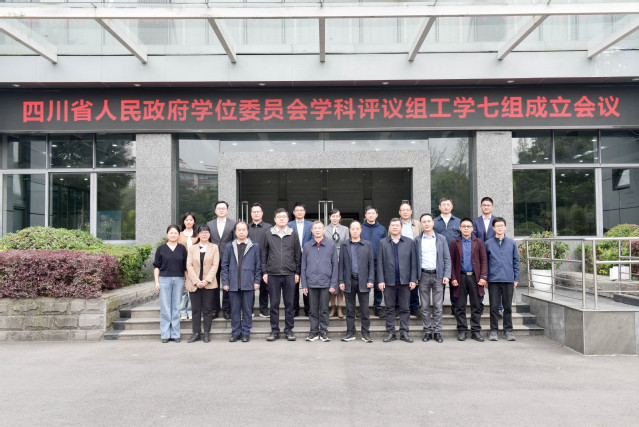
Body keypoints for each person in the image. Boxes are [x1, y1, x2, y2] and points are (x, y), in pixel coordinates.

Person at [263, 208, 302, 342]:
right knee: (274, 304)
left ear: (288, 219)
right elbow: (264, 255)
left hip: (289, 274)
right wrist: (265, 272)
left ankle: (289, 330)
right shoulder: (268, 234)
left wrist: (297, 272)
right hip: (273, 274)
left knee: (289, 304)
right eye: (279, 217)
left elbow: (297, 255)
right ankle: (274, 330)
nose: (281, 219)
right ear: (275, 219)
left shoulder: (293, 234)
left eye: (284, 217)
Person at [377, 218, 418, 343]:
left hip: (405, 281)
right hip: (388, 282)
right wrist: (380, 280)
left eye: (397, 225)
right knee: (389, 308)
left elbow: (414, 262)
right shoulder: (383, 242)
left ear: (401, 228)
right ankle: (391, 332)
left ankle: (404, 332)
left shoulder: (409, 242)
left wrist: (413, 279)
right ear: (389, 228)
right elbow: (380, 263)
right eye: (392, 225)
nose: (395, 227)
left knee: (405, 308)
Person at [221, 222, 261, 343]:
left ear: (247, 231)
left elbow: (258, 265)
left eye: (244, 230)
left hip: (248, 283)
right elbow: (224, 266)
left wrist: (257, 281)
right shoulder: (229, 246)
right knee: (234, 310)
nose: (241, 232)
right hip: (233, 283)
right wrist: (225, 282)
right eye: (239, 230)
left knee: (247, 310)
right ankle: (236, 332)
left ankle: (246, 332)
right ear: (235, 232)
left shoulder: (254, 246)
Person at [413, 213, 451, 343]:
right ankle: (428, 331)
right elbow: (414, 260)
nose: (427, 224)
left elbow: (447, 258)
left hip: (438, 275)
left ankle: (438, 331)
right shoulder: (417, 240)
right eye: (424, 222)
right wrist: (414, 277)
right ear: (421, 224)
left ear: (433, 223)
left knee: (438, 306)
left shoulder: (441, 239)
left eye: (429, 221)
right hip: (423, 275)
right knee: (424, 306)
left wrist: (446, 275)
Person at [449, 218, 488, 342]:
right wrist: (453, 277)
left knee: (476, 306)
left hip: (475, 278)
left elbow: (484, 261)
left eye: (468, 226)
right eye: (464, 226)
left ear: (472, 228)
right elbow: (451, 262)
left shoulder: (479, 242)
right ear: (460, 228)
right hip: (460, 277)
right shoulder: (455, 243)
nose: (466, 228)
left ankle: (475, 331)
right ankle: (462, 331)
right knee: (460, 306)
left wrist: (483, 277)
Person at [339, 221, 375, 343]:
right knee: (350, 310)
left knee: (365, 310)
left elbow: (371, 264)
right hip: (349, 281)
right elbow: (341, 265)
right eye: (353, 229)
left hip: (364, 282)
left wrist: (371, 279)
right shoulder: (344, 245)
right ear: (349, 230)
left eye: (357, 229)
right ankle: (350, 332)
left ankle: (365, 333)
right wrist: (341, 281)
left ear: (360, 230)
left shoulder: (367, 245)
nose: (355, 231)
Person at [484, 217, 520, 342]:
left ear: (505, 227)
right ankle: (493, 331)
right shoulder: (488, 243)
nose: (499, 228)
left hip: (508, 279)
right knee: (494, 307)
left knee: (507, 307)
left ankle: (508, 331)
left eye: (502, 225)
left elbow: (516, 261)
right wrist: (486, 278)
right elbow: (485, 263)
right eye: (497, 226)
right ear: (493, 228)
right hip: (493, 279)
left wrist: (516, 277)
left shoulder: (511, 243)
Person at [302, 222, 338, 342]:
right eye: (315, 228)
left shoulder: (331, 245)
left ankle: (323, 332)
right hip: (311, 283)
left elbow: (335, 266)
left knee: (324, 310)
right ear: (312, 231)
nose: (317, 230)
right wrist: (304, 284)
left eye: (319, 228)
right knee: (312, 310)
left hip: (326, 283)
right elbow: (303, 266)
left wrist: (333, 283)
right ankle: (313, 332)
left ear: (323, 230)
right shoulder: (307, 246)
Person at [185, 225, 219, 343]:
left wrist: (206, 280)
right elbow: (189, 265)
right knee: (195, 310)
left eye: (207, 232)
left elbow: (215, 265)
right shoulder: (192, 248)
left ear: (209, 234)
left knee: (208, 310)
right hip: (194, 284)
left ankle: (206, 333)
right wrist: (196, 281)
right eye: (202, 232)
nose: (204, 234)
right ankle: (196, 333)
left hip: (209, 284)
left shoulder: (214, 247)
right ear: (198, 234)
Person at [154, 224, 188, 343]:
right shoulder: (161, 248)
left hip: (179, 279)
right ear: (167, 234)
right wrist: (157, 282)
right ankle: (165, 335)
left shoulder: (182, 248)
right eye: (171, 233)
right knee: (165, 307)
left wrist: (186, 280)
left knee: (176, 307)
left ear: (179, 235)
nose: (173, 235)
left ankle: (175, 334)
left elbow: (185, 267)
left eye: (175, 233)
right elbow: (156, 266)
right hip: (164, 280)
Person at [207, 201, 236, 320]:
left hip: (228, 259)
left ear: (227, 210)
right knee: (213, 284)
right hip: (212, 259)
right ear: (215, 210)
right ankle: (214, 309)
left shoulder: (233, 224)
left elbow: (235, 242)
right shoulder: (209, 224)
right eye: (219, 208)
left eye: (223, 208)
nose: (221, 210)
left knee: (227, 285)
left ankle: (227, 309)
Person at [472, 196, 502, 316]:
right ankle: (479, 306)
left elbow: (500, 236)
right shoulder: (475, 222)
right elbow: (473, 239)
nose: (486, 207)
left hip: (494, 256)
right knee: (479, 282)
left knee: (496, 282)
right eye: (484, 205)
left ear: (492, 207)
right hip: (479, 257)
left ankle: (499, 307)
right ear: (480, 207)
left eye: (488, 205)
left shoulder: (497, 221)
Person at [433, 197, 461, 315]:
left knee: (455, 284)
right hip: (438, 258)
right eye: (443, 205)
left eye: (448, 204)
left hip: (455, 258)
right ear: (439, 207)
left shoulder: (458, 222)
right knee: (440, 285)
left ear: (452, 206)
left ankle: (455, 308)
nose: (446, 207)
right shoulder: (434, 222)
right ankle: (438, 310)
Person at [360, 205, 387, 319]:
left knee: (377, 286)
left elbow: (385, 245)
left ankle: (377, 307)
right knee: (363, 287)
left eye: (373, 213)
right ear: (365, 215)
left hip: (377, 261)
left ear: (376, 215)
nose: (371, 215)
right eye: (368, 213)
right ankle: (363, 309)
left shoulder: (382, 229)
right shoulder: (360, 228)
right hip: (363, 262)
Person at [288, 202, 313, 317]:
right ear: (294, 212)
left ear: (304, 212)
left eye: (301, 210)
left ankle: (308, 309)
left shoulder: (311, 225)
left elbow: (313, 239)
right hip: (292, 258)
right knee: (294, 284)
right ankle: (295, 309)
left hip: (308, 258)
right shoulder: (289, 225)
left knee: (307, 283)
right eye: (297, 210)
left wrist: (305, 249)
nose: (299, 212)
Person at [398, 202, 422, 318]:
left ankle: (414, 307)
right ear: (399, 212)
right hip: (399, 256)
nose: (405, 212)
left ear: (411, 212)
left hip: (414, 255)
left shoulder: (418, 224)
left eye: (407, 210)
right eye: (403, 210)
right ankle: (399, 306)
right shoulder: (396, 224)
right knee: (399, 282)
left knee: (414, 281)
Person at [324, 208, 349, 318]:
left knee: (340, 284)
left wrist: (341, 257)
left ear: (340, 217)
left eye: (337, 216)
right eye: (333, 216)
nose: (335, 218)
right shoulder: (325, 229)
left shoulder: (345, 229)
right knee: (331, 284)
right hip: (328, 259)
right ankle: (332, 307)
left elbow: (347, 244)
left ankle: (339, 308)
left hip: (342, 258)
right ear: (330, 217)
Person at [248, 202, 272, 318]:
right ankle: (249, 310)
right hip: (249, 261)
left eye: (258, 211)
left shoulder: (269, 227)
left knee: (264, 287)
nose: (256, 213)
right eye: (254, 212)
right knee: (249, 287)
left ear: (262, 213)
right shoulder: (246, 227)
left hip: (265, 260)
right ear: (251, 213)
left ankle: (264, 310)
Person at [178, 212, 198, 321]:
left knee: (192, 289)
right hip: (181, 264)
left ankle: (190, 310)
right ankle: (182, 311)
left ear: (194, 221)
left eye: (191, 220)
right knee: (183, 289)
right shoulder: (179, 234)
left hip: (195, 265)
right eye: (186, 220)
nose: (189, 222)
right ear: (183, 222)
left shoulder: (197, 234)